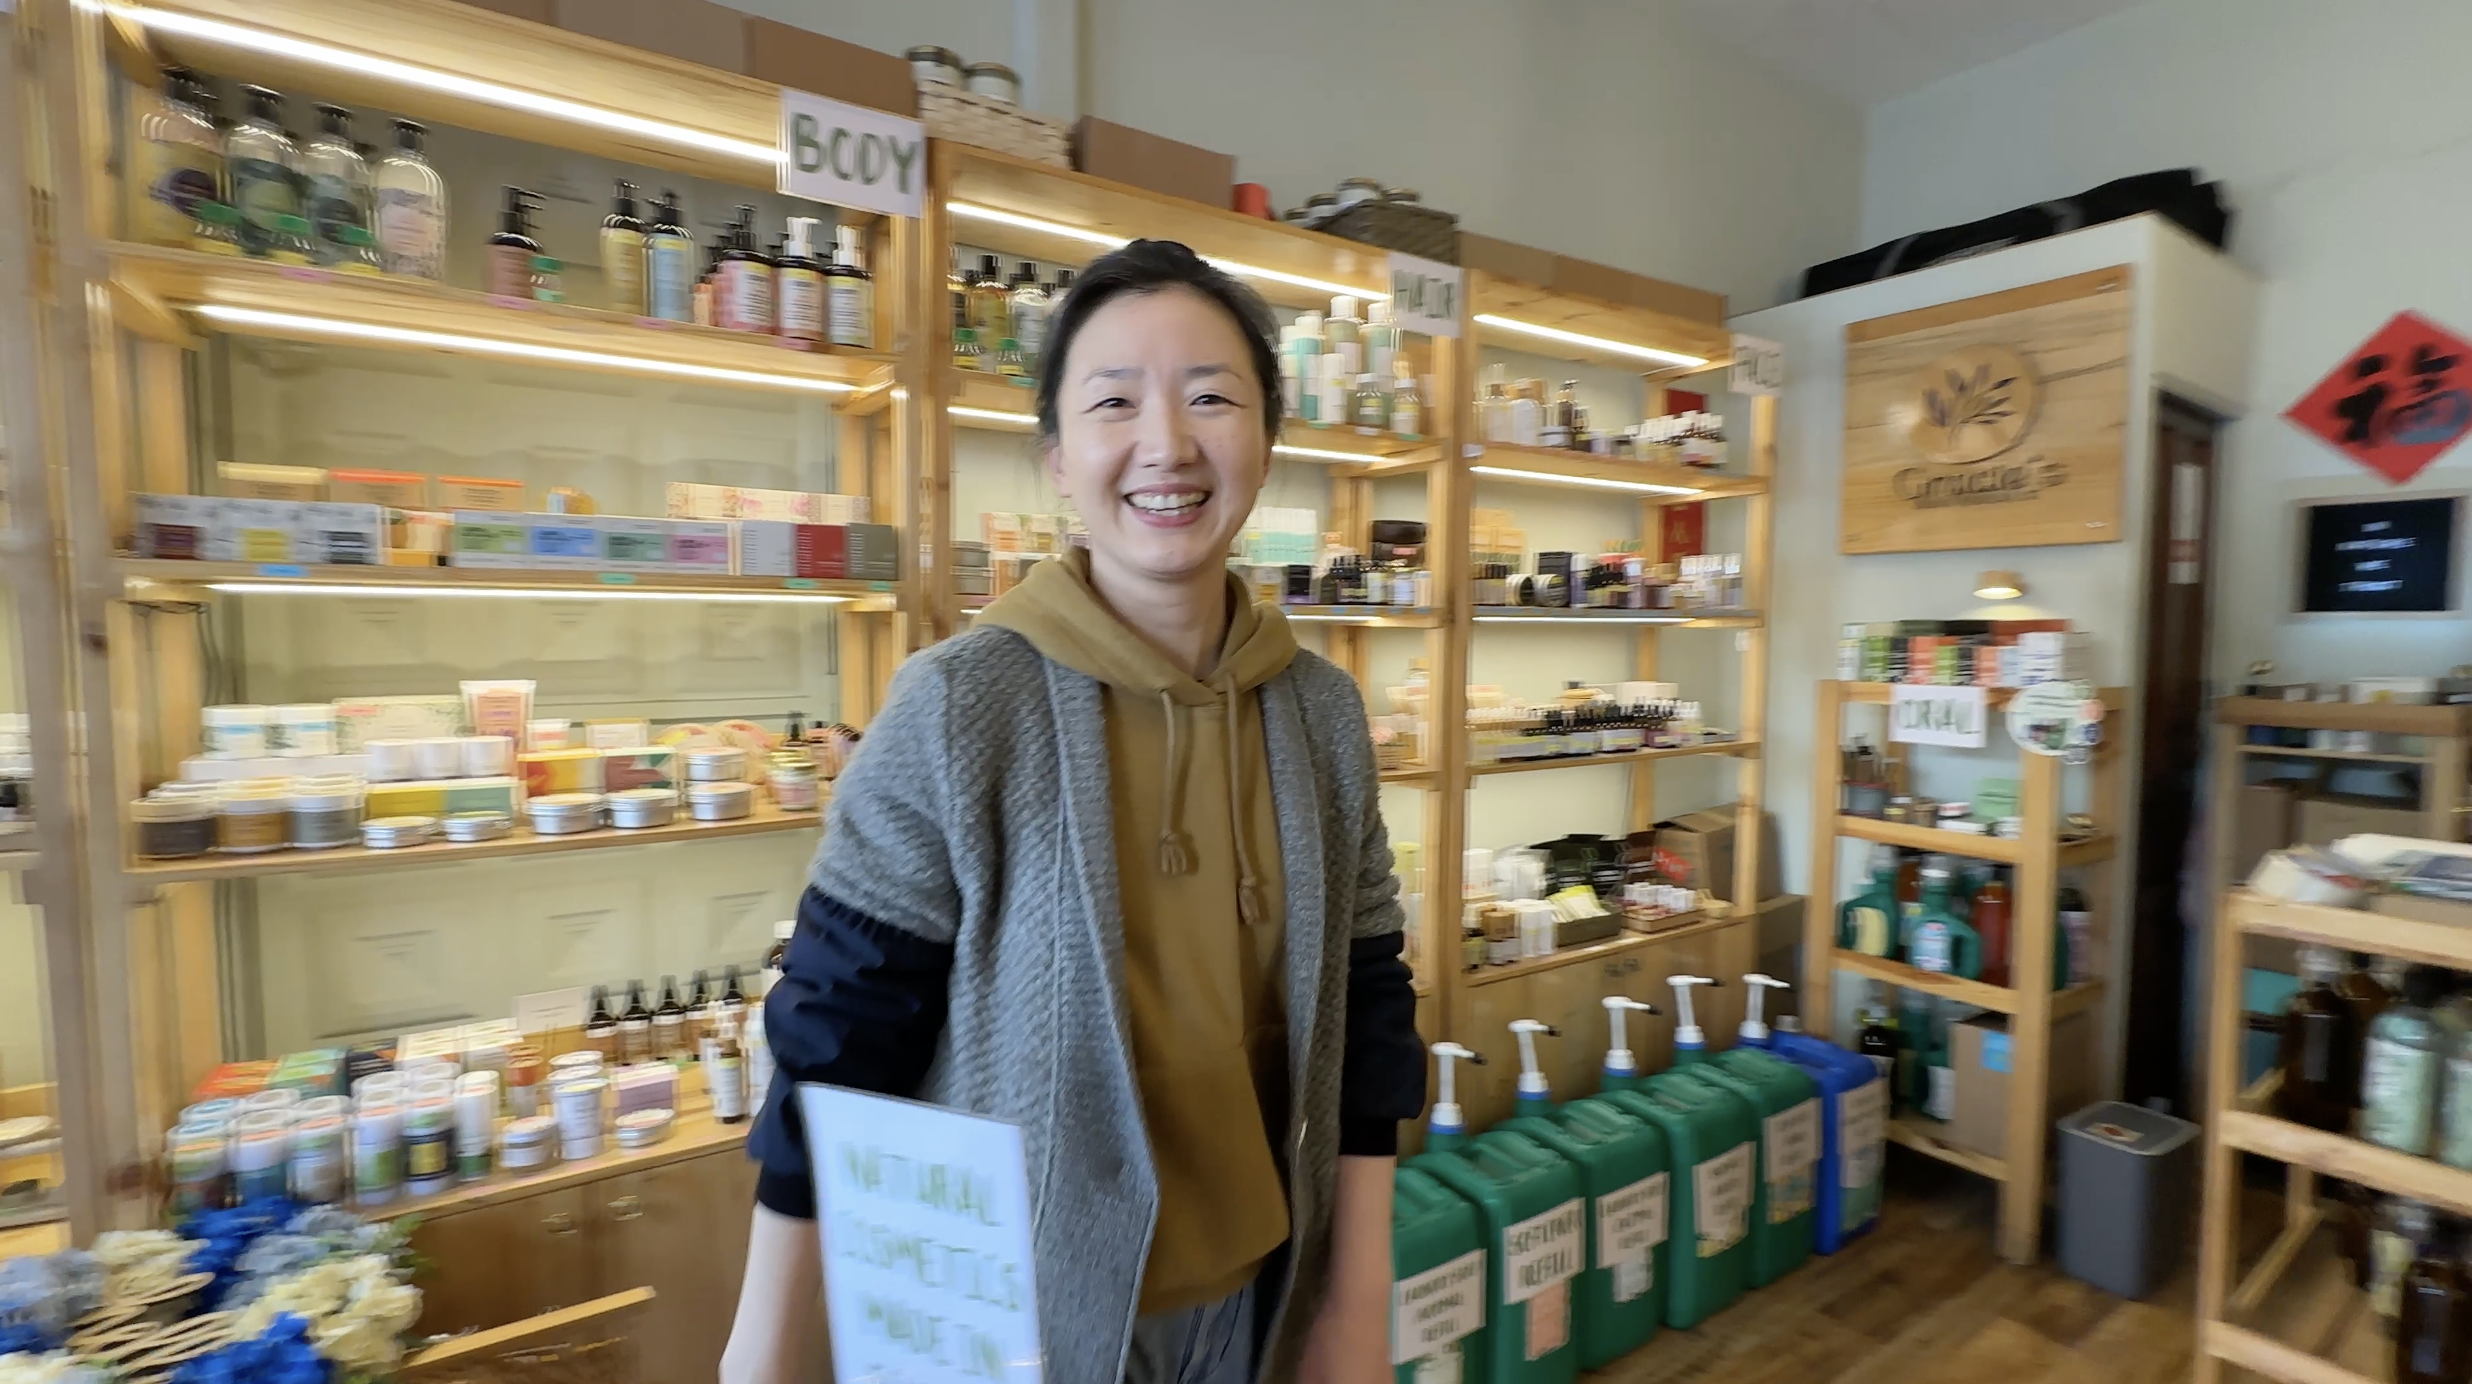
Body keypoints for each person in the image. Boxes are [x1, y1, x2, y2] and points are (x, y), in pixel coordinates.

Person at [720, 239, 1426, 1384]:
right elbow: (839, 1033)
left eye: (1211, 397)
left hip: (1259, 1300)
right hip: (1009, 1323)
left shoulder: (1321, 713)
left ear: (1266, 440)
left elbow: (1371, 1013)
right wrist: (762, 1347)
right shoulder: (961, 704)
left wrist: (1355, 1308)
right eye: (1114, 402)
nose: (1168, 444)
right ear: (1056, 457)